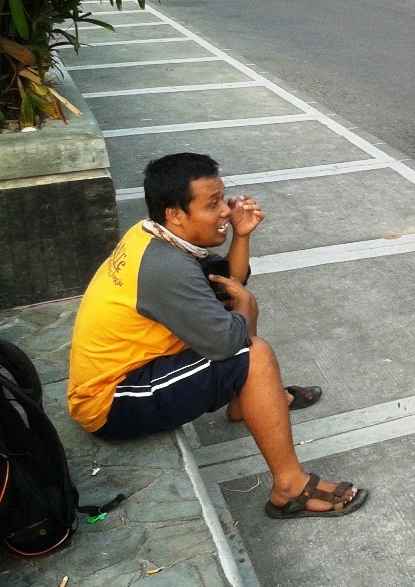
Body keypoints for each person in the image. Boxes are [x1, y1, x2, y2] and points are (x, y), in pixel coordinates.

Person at [68, 153, 367, 520]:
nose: (225, 211)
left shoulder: (152, 236)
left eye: (222, 199)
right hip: (110, 401)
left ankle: (246, 401)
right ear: (175, 214)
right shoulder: (165, 267)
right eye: (212, 204)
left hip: (132, 372)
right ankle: (289, 488)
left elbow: (225, 286)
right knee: (254, 354)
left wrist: (240, 238)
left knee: (233, 315)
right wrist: (248, 310)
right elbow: (228, 340)